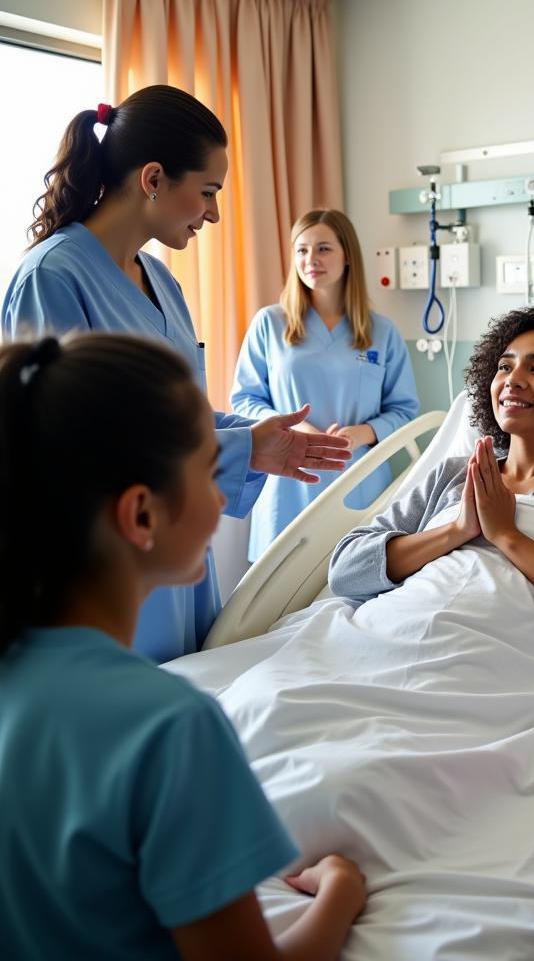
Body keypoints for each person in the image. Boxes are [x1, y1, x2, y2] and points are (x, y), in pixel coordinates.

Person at [0, 332, 366, 959]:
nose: (224, 495)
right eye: (206, 468)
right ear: (141, 515)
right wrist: (341, 892)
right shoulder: (171, 729)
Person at [2, 86, 352, 662]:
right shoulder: (53, 278)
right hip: (103, 565)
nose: (214, 213)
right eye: (208, 191)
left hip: (175, 555)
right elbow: (68, 446)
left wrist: (258, 440)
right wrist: (237, 449)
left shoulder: (162, 283)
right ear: (154, 178)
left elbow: (178, 410)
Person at [328, 305, 534, 663]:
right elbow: (346, 571)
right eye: (505, 366)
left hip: (495, 662)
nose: (513, 379)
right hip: (389, 636)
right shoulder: (453, 474)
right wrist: (458, 529)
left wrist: (508, 535)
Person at [230, 208, 418, 561]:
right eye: (301, 250)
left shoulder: (382, 332)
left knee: (357, 589)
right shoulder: (270, 323)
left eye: (323, 249)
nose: (310, 259)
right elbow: (244, 400)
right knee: (280, 600)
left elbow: (405, 410)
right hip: (289, 481)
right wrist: (296, 425)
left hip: (360, 482)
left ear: (347, 256)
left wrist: (363, 433)